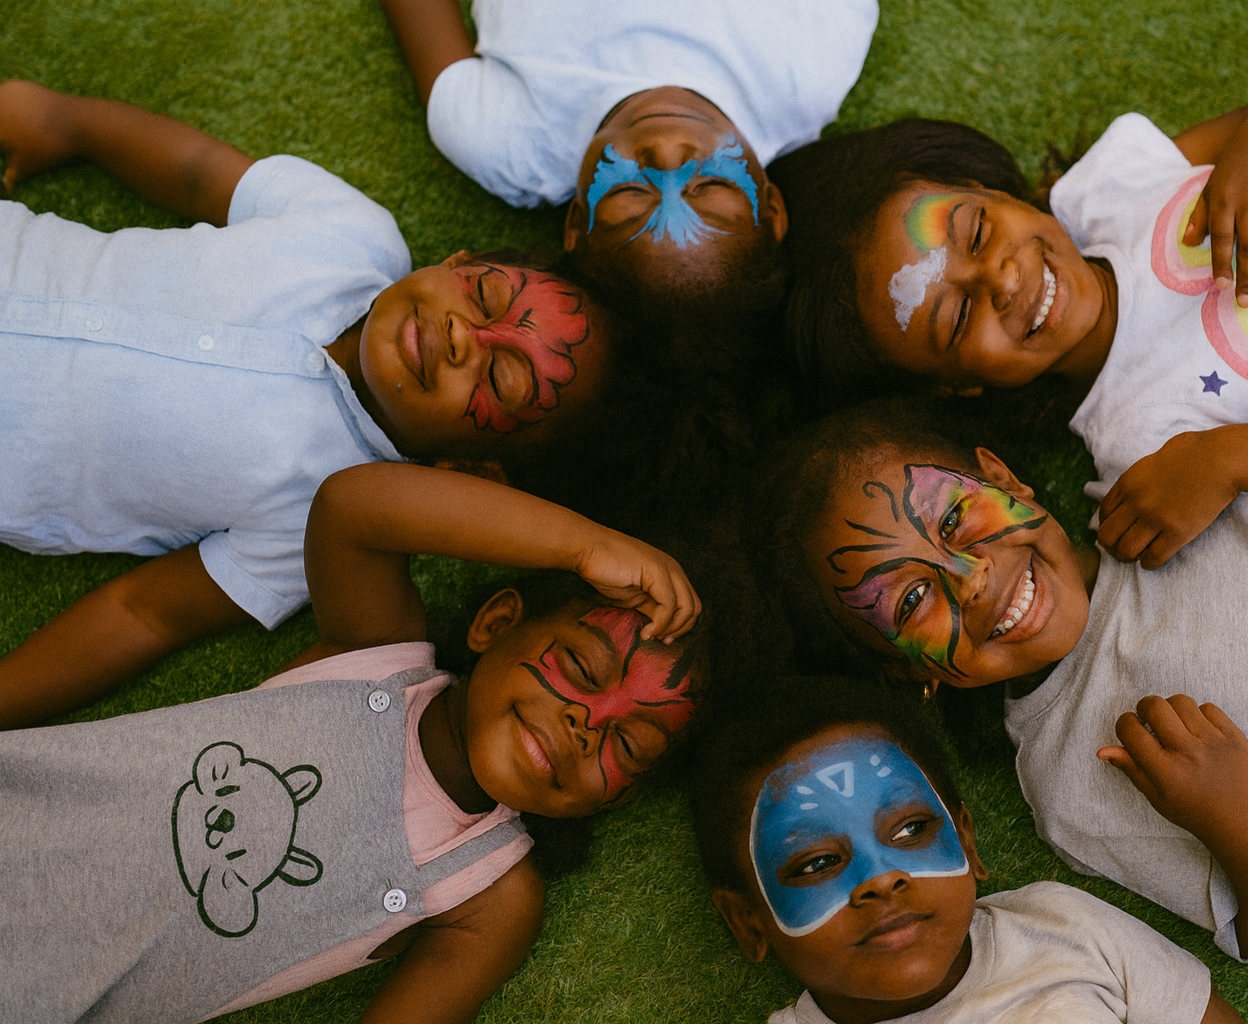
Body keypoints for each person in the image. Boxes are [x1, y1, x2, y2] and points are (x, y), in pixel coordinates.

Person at [764, 399, 1248, 976]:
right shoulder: (1074, 784)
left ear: (1003, 477)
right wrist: (1242, 824)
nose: (970, 579)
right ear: (909, 672)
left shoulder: (1164, 476)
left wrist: (1233, 455)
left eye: (956, 519)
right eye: (909, 600)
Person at [771, 8, 1248, 570]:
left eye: (976, 232)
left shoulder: (1106, 191)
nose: (1000, 278)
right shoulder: (1144, 445)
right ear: (958, 387)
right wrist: (1231, 458)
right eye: (957, 314)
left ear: (991, 192)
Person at [0, 458, 709, 1023]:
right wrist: (585, 546)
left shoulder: (491, 898)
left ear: (618, 800)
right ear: (495, 624)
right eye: (582, 667)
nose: (587, 724)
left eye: (628, 745)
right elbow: (355, 505)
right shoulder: (377, 656)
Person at [0, 81, 619, 726]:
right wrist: (69, 120)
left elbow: (146, 613)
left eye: (501, 379)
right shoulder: (352, 233)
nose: (466, 335)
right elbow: (199, 174)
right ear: (456, 261)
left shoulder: (318, 525)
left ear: (470, 469)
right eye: (484, 296)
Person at [690, 673, 1243, 1023]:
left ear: (967, 842)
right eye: (818, 863)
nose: (881, 878)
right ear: (747, 923)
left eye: (910, 830)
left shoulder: (1062, 925)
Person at [378, 0, 878, 315]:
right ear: (771, 208)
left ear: (576, 223)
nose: (665, 151)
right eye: (712, 184)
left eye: (629, 190)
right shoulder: (808, 73)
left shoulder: (513, 145)